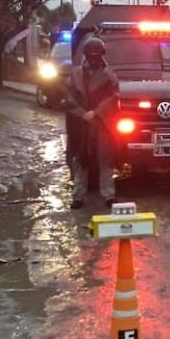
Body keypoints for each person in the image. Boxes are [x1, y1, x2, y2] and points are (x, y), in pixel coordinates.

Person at [63, 35, 119, 210]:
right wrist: (82, 113)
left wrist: (96, 112)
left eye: (97, 55)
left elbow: (113, 97)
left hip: (102, 123)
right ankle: (78, 195)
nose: (94, 59)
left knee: (106, 159)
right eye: (91, 55)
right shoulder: (76, 74)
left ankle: (108, 195)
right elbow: (69, 97)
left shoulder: (109, 75)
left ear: (102, 55)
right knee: (80, 159)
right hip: (81, 124)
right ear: (86, 55)